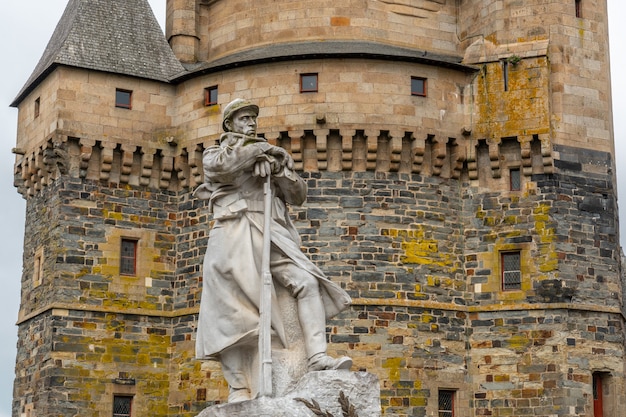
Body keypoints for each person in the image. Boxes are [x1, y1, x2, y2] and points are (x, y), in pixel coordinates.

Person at [195, 98, 352, 403]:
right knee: (232, 314)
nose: (251, 124)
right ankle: (239, 386)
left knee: (307, 282)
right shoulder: (215, 154)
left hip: (271, 232)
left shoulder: (273, 158)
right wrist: (265, 151)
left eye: (253, 119)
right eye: (243, 119)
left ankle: (317, 356)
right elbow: (224, 168)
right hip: (234, 233)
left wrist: (280, 168)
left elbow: (299, 194)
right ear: (229, 125)